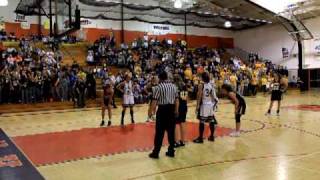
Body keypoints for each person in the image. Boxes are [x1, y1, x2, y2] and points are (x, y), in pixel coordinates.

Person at [148, 71, 179, 159]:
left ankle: (156, 152)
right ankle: (171, 151)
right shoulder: (174, 86)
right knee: (171, 132)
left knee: (159, 133)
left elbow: (154, 102)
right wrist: (176, 111)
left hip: (162, 110)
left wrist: (150, 113)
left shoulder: (158, 87)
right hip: (171, 110)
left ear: (160, 78)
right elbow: (177, 100)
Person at [194, 72, 219, 143]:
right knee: (211, 121)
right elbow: (214, 96)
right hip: (210, 105)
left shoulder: (201, 85)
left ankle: (200, 138)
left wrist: (197, 106)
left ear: (202, 78)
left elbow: (199, 96)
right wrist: (214, 104)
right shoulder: (211, 85)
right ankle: (211, 136)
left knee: (201, 122)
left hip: (204, 105)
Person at [174, 74, 188, 147]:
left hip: (177, 106)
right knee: (182, 123)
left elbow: (176, 100)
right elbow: (185, 98)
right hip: (184, 106)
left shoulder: (174, 87)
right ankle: (183, 141)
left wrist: (176, 109)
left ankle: (176, 141)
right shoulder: (184, 85)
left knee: (176, 123)